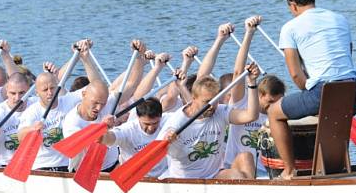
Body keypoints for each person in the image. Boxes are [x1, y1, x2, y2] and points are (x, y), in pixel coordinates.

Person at [266, 0, 356, 179]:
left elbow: (295, 73)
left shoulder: (290, 28)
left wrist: (307, 91)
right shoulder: (340, 19)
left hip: (323, 92)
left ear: (292, 5)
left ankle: (289, 171)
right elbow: (347, 55)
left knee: (274, 112)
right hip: (354, 92)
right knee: (328, 115)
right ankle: (334, 168)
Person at [159, 62, 261, 180]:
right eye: (206, 102)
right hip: (185, 180)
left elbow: (251, 116)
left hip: (214, 175)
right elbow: (156, 153)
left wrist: (252, 83)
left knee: (243, 164)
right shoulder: (176, 122)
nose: (211, 106)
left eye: (215, 100)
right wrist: (167, 140)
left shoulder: (221, 112)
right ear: (193, 98)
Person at [61, 40, 147, 172]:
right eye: (95, 103)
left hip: (111, 167)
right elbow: (85, 147)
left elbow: (132, 83)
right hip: (84, 171)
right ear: (84, 94)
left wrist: (139, 57)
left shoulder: (108, 102)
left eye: (103, 103)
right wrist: (102, 127)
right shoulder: (72, 121)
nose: (99, 108)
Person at [16, 40, 103, 172]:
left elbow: (96, 85)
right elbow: (20, 137)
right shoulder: (32, 112)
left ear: (58, 86)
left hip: (67, 165)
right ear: (36, 92)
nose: (50, 93)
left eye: (52, 88)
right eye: (45, 90)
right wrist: (32, 129)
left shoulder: (69, 100)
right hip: (42, 167)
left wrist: (86, 57)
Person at [222, 16, 286, 175]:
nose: (274, 107)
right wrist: (249, 33)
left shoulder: (279, 114)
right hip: (236, 168)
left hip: (267, 172)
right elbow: (238, 73)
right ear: (259, 95)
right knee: (246, 157)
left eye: (277, 103)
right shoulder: (241, 104)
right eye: (270, 102)